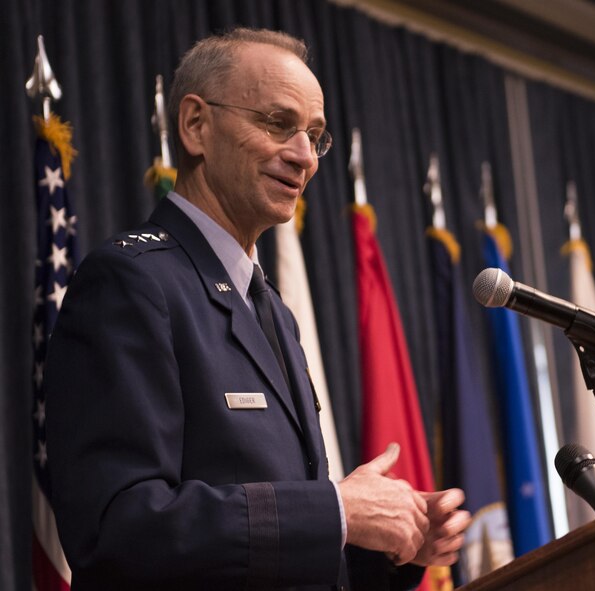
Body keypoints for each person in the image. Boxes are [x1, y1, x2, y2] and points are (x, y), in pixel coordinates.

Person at [44, 27, 470, 591]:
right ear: (197, 125)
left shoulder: (271, 309)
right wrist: (336, 512)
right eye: (277, 124)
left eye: (315, 135)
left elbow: (275, 559)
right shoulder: (132, 283)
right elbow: (120, 529)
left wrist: (391, 545)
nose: (304, 157)